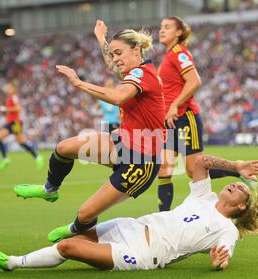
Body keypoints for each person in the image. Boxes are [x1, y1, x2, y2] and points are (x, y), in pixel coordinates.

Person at [0, 154, 258, 272]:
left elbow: (223, 258)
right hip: (131, 225)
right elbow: (202, 162)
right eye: (235, 184)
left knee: (68, 247)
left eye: (240, 190)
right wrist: (236, 166)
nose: (234, 185)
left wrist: (219, 262)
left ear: (241, 206)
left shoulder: (227, 230)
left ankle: (11, 263)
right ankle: (72, 228)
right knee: (79, 233)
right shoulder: (205, 198)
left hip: (144, 253)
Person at [14, 27, 166, 241]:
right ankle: (50, 190)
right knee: (64, 149)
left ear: (136, 50)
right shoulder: (134, 71)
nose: (114, 59)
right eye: (112, 54)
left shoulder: (143, 74)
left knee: (84, 214)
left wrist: (78, 82)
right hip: (122, 143)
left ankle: (75, 231)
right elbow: (113, 68)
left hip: (141, 161)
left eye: (119, 53)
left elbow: (117, 97)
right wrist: (101, 38)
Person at [156, 16, 255, 211]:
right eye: (161, 27)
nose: (161, 30)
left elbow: (195, 81)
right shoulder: (168, 56)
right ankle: (163, 217)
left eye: (167, 27)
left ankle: (237, 170)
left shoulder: (179, 53)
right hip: (170, 120)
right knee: (164, 170)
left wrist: (175, 105)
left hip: (186, 117)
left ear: (178, 32)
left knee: (193, 171)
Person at [0, 83, 44, 170]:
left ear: (13, 89)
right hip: (10, 123)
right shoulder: (9, 98)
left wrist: (6, 109)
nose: (7, 89)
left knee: (21, 143)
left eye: (9, 88)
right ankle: (5, 159)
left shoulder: (14, 97)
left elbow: (18, 108)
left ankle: (37, 156)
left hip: (15, 123)